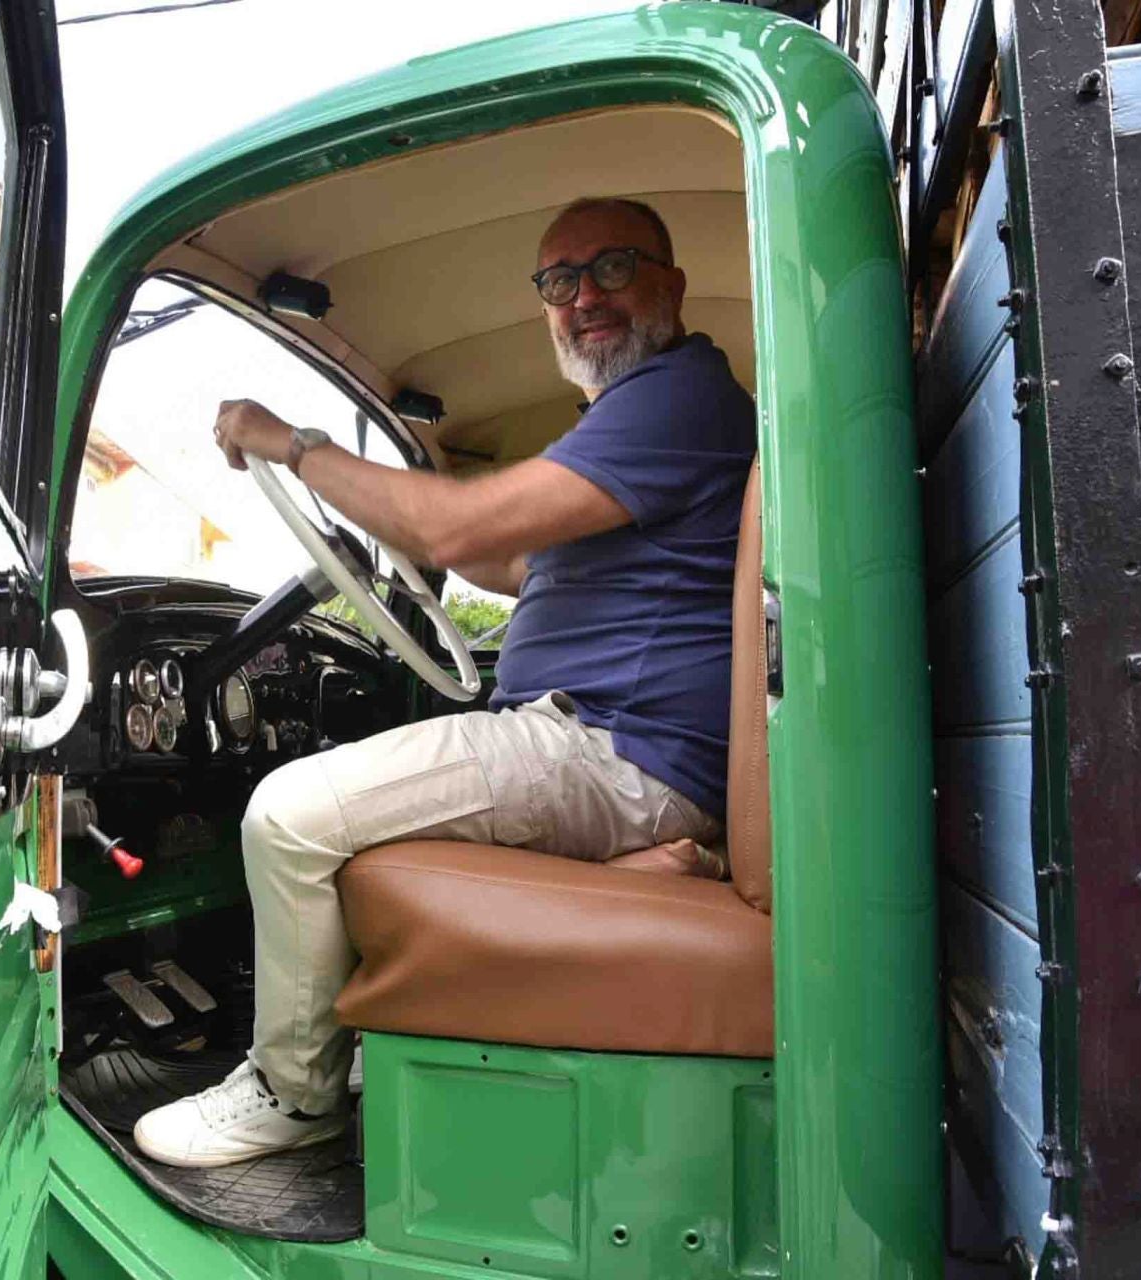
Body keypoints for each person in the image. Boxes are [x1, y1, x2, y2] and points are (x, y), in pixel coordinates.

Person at [132, 196, 757, 1168]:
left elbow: (457, 533)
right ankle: (343, 1047)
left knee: (288, 812)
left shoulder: (680, 395)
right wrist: (384, 522)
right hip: (618, 749)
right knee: (339, 816)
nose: (582, 295)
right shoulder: (646, 422)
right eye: (558, 280)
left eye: (613, 268)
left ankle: (293, 1096)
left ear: (670, 284)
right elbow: (502, 564)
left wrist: (296, 444)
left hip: (608, 747)